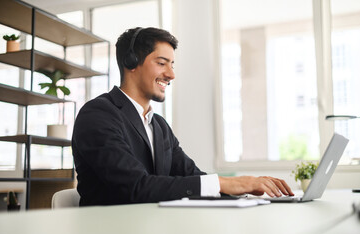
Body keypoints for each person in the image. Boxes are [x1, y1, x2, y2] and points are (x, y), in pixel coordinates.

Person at [72, 27, 294, 206]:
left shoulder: (158, 125)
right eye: (161, 63)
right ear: (131, 62)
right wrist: (224, 183)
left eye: (172, 64)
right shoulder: (98, 114)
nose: (171, 74)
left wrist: (244, 193)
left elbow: (191, 175)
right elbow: (136, 186)